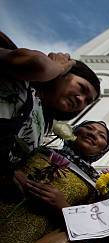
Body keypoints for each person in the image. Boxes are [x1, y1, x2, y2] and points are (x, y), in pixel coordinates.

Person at [0, 32, 101, 173]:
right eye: (81, 88)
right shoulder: (22, 78)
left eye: (87, 101)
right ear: (64, 72)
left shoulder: (42, 125)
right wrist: (56, 67)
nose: (81, 99)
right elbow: (37, 65)